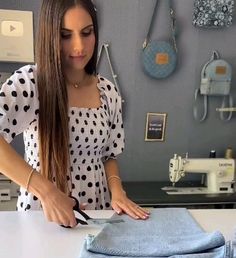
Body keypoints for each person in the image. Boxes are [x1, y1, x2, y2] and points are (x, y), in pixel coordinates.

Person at [0, 0, 149, 227]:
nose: (79, 46)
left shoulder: (108, 91)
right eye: (65, 35)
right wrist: (47, 192)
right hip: (42, 217)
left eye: (87, 32)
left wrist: (118, 192)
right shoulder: (31, 83)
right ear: (50, 35)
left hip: (96, 215)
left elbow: (109, 154)